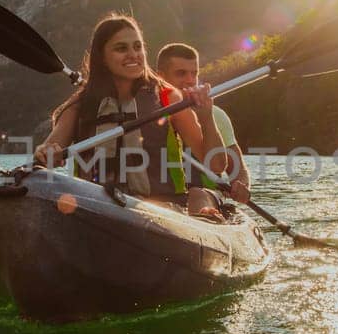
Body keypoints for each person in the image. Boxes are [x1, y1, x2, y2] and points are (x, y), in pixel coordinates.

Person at [34, 14, 225, 219]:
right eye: (121, 48)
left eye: (137, 46)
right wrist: (46, 152)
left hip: (163, 211)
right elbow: (44, 158)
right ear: (102, 57)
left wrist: (206, 118)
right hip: (95, 210)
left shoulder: (167, 97)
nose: (133, 54)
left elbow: (216, 165)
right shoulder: (80, 105)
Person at [154, 42, 251, 203]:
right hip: (163, 200)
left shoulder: (216, 115)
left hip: (207, 198)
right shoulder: (148, 114)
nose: (190, 80)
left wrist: (242, 185)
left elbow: (238, 170)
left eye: (194, 73)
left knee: (197, 195)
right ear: (161, 77)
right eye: (181, 73)